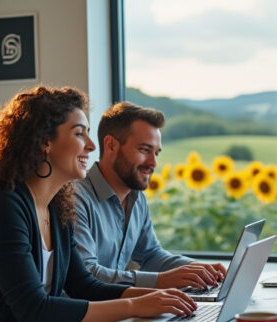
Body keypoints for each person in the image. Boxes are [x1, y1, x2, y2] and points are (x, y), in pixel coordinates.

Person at [0, 86, 197, 322]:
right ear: (45, 141)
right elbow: (35, 309)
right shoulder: (3, 206)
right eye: (79, 133)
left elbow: (84, 286)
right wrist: (134, 305)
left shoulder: (57, 207)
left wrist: (157, 297)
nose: (92, 146)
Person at [73, 102, 226, 291]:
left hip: (118, 311)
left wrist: (196, 269)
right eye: (144, 150)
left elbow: (150, 255)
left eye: (156, 153)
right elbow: (86, 273)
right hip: (85, 315)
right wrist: (160, 281)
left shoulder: (136, 198)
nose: (153, 163)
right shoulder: (76, 198)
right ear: (111, 145)